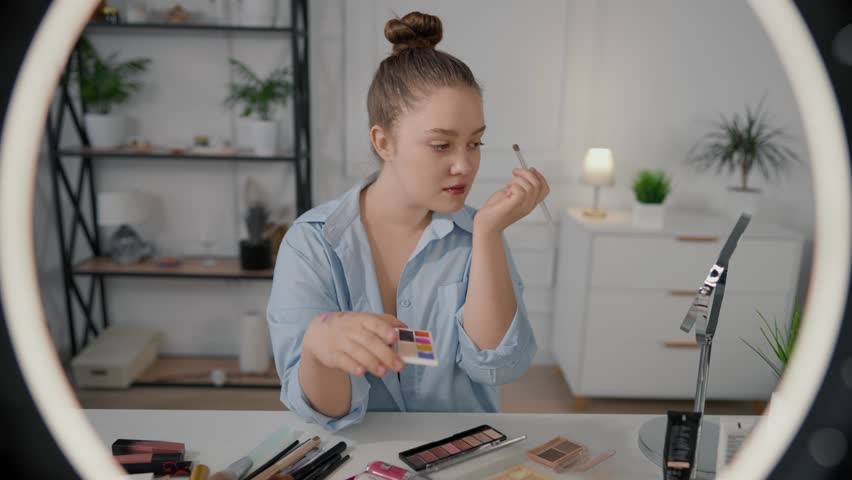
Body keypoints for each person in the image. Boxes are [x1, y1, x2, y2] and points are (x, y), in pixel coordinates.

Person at [267, 11, 550, 432]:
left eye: (475, 143)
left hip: (462, 456)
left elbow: (498, 365)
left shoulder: (475, 235)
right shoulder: (313, 244)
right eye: (441, 145)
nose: (464, 165)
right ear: (384, 142)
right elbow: (324, 411)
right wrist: (318, 348)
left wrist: (489, 233)